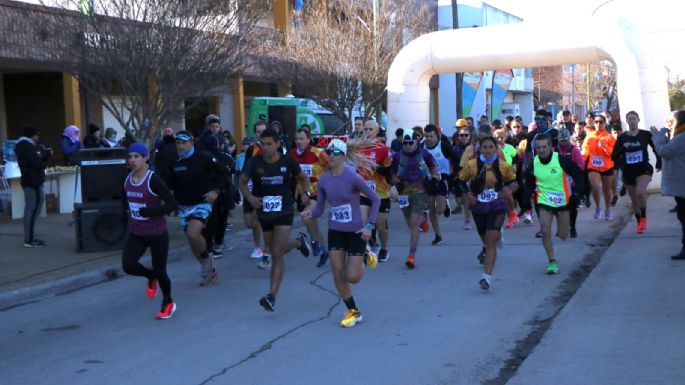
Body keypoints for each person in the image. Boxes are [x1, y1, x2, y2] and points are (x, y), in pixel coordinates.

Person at [302, 139, 380, 328]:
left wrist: (369, 226)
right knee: (337, 273)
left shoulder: (352, 176)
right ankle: (353, 311)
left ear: (343, 156)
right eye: (328, 152)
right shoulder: (324, 180)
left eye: (334, 152)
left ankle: (364, 255)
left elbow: (375, 199)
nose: (330, 155)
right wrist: (310, 213)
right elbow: (320, 209)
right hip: (335, 230)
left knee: (352, 277)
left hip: (355, 231)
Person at [239, 128, 314, 312]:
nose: (266, 148)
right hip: (264, 212)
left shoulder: (287, 161)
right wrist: (250, 198)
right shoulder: (254, 162)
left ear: (277, 144)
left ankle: (271, 295)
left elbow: (303, 178)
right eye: (262, 144)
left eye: (269, 144)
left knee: (277, 251)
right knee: (273, 249)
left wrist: (306, 193)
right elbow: (242, 182)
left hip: (284, 210)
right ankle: (299, 242)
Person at [121, 143, 178, 319]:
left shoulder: (153, 179)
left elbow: (171, 204)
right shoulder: (127, 180)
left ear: (146, 158)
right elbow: (125, 203)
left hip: (157, 233)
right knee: (128, 265)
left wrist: (152, 212)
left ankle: (168, 303)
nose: (132, 160)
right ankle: (150, 276)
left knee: (161, 270)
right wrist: (125, 217)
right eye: (130, 156)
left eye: (136, 156)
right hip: (137, 232)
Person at [168, 130, 227, 286]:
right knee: (191, 239)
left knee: (193, 233)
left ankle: (207, 262)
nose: (180, 146)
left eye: (184, 142)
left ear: (192, 143)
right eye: (178, 143)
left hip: (202, 203)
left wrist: (215, 191)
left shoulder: (203, 157)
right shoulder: (175, 162)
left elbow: (224, 172)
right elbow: (170, 184)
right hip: (184, 205)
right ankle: (209, 272)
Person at [458, 136, 516, 290]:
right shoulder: (471, 165)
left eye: (491, 147)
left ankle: (487, 278)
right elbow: (460, 180)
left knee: (490, 241)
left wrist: (508, 190)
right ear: (480, 149)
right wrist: (467, 194)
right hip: (478, 206)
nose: (488, 150)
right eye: (485, 147)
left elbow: (514, 181)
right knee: (485, 238)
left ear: (496, 148)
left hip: (497, 205)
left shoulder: (503, 165)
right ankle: (499, 235)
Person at [525, 133, 582, 275]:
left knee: (563, 235)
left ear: (551, 147)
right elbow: (528, 184)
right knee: (545, 230)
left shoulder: (561, 160)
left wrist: (576, 194)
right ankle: (552, 261)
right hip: (543, 200)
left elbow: (579, 175)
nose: (542, 150)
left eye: (544, 147)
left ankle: (563, 230)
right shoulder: (533, 164)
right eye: (538, 148)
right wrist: (526, 199)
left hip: (562, 202)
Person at [391, 131, 438, 269]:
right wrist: (395, 182)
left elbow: (433, 166)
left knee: (413, 222)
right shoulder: (397, 156)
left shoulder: (424, 154)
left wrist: (434, 177)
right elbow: (392, 173)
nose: (408, 146)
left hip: (420, 191)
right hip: (404, 192)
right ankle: (424, 218)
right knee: (411, 224)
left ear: (416, 142)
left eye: (411, 143)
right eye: (405, 143)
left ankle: (411, 255)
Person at [612, 111, 662, 234]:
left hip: (643, 169)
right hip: (629, 171)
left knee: (640, 192)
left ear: (638, 120)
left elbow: (656, 147)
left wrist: (659, 161)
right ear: (627, 121)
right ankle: (639, 222)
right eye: (629, 119)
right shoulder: (622, 137)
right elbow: (614, 156)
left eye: (634, 118)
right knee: (634, 200)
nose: (632, 121)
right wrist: (623, 147)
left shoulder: (645, 134)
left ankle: (644, 218)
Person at [289, 128, 330, 267]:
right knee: (312, 225)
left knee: (306, 217)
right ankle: (323, 249)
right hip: (300, 195)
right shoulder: (292, 154)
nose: (299, 142)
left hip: (317, 193)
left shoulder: (319, 153)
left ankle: (315, 243)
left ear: (308, 139)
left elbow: (334, 166)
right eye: (297, 139)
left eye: (302, 139)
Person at [650, 110, 685, 260]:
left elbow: (665, 151)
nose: (669, 124)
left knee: (684, 217)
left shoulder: (682, 137)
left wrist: (657, 136)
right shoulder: (678, 136)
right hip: (681, 185)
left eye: (671, 121)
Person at [358, 120, 394, 262]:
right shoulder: (358, 149)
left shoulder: (384, 149)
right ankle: (365, 248)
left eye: (370, 129)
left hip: (380, 193)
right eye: (365, 129)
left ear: (377, 131)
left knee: (380, 226)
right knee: (363, 220)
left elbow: (389, 171)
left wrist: (374, 166)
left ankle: (384, 249)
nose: (367, 132)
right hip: (363, 192)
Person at [423, 124, 459, 245]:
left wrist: (454, 175)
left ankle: (445, 205)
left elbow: (457, 159)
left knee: (439, 210)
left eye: (431, 136)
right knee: (431, 209)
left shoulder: (443, 146)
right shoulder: (421, 147)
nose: (428, 138)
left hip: (442, 179)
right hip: (427, 180)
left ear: (436, 136)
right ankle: (438, 235)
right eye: (426, 136)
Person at [15, 126, 48, 248]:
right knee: (32, 208)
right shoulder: (27, 146)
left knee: (32, 207)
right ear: (31, 135)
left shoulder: (21, 145)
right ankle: (29, 239)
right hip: (32, 180)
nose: (38, 137)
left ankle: (30, 237)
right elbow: (37, 163)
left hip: (29, 179)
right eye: (36, 135)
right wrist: (45, 160)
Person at [243, 121, 271, 267]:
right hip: (251, 189)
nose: (261, 133)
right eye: (258, 131)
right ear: (255, 133)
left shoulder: (275, 147)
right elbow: (246, 169)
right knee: (249, 223)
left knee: (261, 220)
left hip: (266, 191)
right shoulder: (251, 150)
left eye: (263, 130)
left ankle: (259, 248)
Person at [581, 114, 616, 220]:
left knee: (606, 190)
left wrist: (605, 147)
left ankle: (608, 209)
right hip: (593, 166)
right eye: (596, 122)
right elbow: (585, 150)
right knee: (595, 187)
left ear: (605, 124)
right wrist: (582, 162)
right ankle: (598, 207)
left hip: (607, 166)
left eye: (601, 122)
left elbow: (613, 153)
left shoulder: (609, 136)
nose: (598, 124)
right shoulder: (590, 136)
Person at [556, 129, 585, 238]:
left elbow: (581, 166)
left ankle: (572, 227)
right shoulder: (554, 151)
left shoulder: (574, 150)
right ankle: (561, 227)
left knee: (572, 207)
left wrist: (571, 171)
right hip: (558, 184)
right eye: (561, 141)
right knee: (558, 208)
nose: (563, 143)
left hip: (571, 184)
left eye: (565, 140)